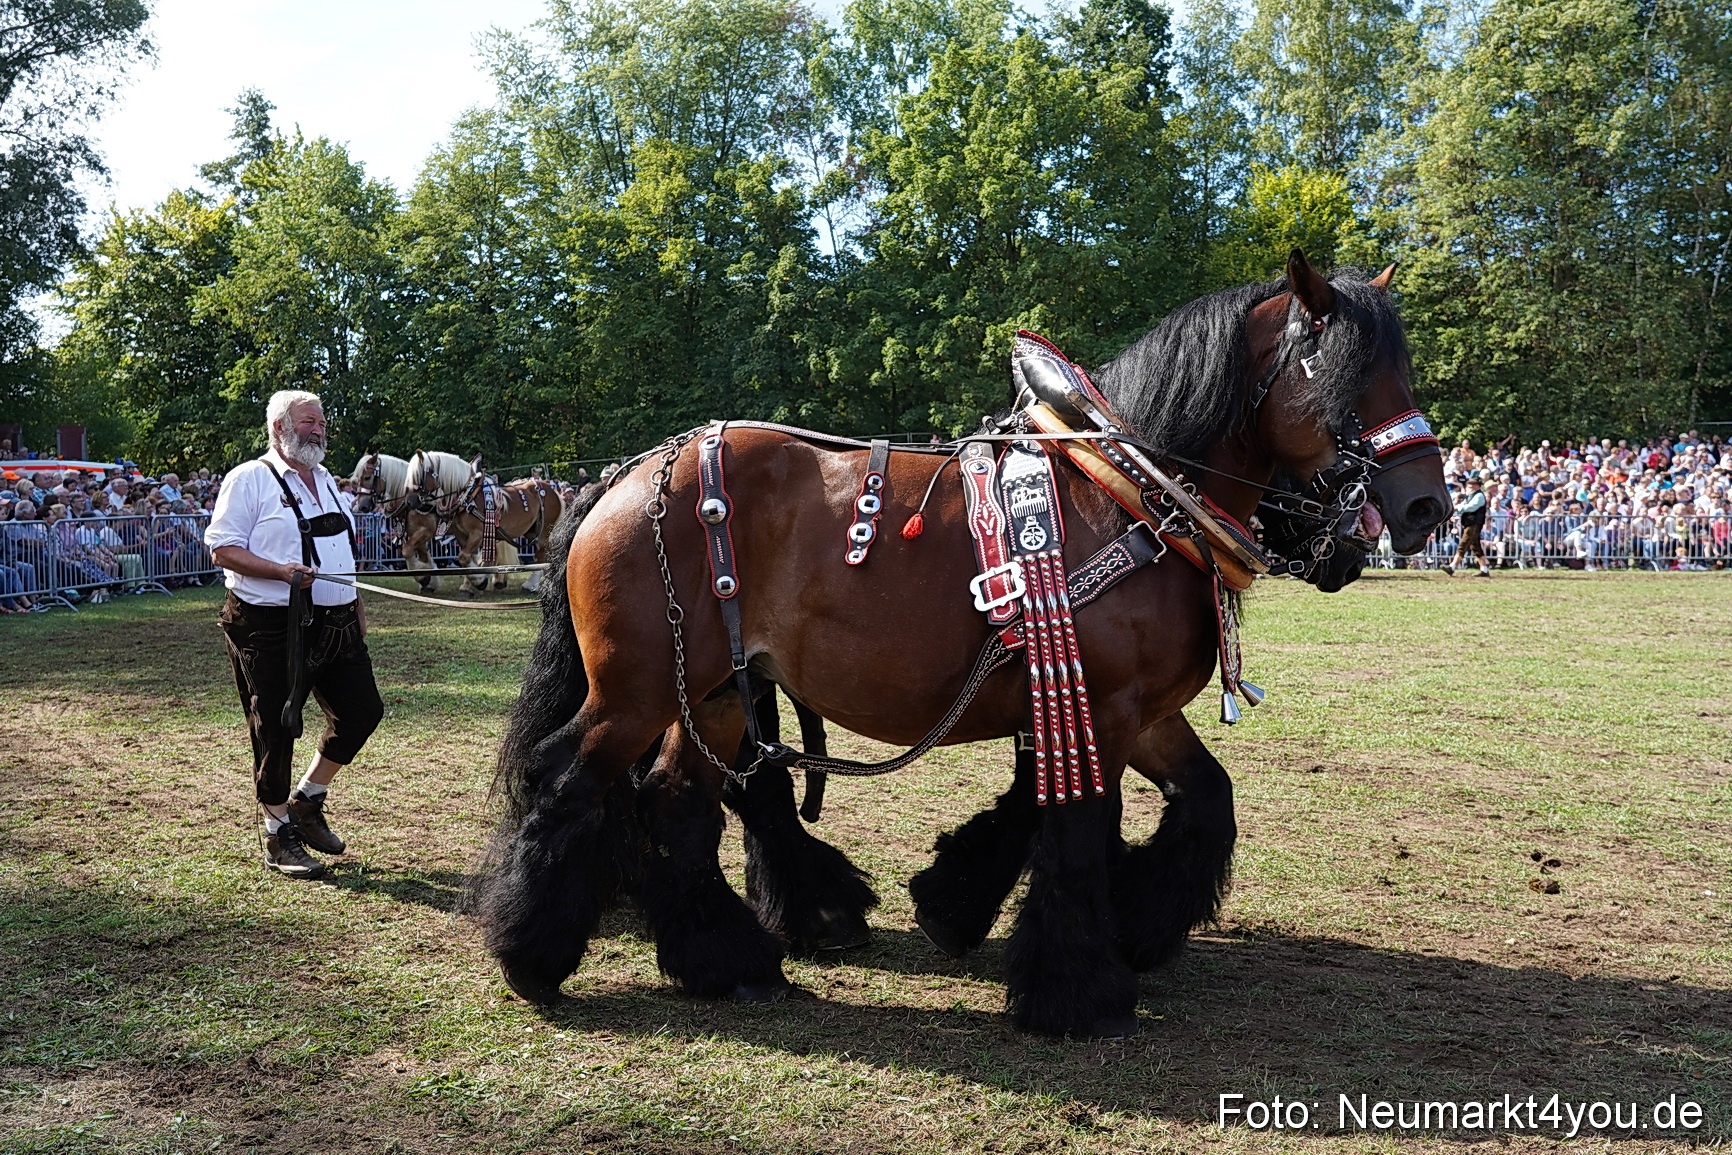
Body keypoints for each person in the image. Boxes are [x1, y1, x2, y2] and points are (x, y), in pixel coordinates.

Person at [206, 390, 384, 880]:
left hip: (338, 622)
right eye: (309, 422)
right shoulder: (249, 479)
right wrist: (279, 572)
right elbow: (221, 548)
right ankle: (277, 832)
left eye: (322, 422)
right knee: (277, 726)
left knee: (362, 711)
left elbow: (342, 558)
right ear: (279, 428)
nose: (319, 430)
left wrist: (357, 611)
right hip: (268, 625)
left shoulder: (328, 481)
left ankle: (308, 798)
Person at [1443, 476, 1492, 577]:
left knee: (1463, 544)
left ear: (1478, 485)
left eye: (1473, 484)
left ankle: (1452, 567)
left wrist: (1458, 508)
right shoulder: (1471, 496)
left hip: (1474, 524)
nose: (1470, 485)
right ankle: (1484, 569)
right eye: (1469, 483)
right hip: (1469, 523)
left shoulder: (1479, 496)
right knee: (1475, 547)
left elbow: (1471, 507)